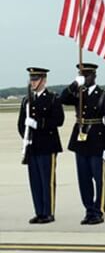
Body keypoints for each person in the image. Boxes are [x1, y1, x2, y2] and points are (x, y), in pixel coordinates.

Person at [61, 63, 105, 225]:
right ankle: (89, 210)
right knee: (83, 179)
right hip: (80, 141)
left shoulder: (104, 95)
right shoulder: (78, 93)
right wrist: (75, 84)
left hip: (97, 140)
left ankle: (99, 211)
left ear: (94, 76)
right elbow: (63, 99)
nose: (84, 79)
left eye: (86, 76)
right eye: (81, 76)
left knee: (99, 179)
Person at [18, 67, 64, 224]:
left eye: (36, 79)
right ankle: (39, 212)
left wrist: (38, 124)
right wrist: (26, 137)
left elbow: (58, 120)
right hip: (33, 146)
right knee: (35, 181)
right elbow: (21, 124)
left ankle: (48, 212)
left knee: (47, 181)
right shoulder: (26, 100)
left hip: (47, 146)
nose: (33, 82)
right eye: (31, 79)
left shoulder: (52, 98)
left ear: (44, 80)